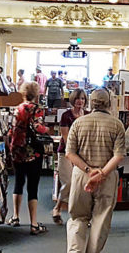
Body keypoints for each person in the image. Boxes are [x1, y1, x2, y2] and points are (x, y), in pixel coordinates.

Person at [65, 88, 126, 253]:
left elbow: (69, 153)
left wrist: (88, 170)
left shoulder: (78, 123)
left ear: (91, 102)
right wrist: (101, 173)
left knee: (78, 217)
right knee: (101, 220)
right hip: (106, 178)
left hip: (82, 175)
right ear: (109, 103)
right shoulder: (117, 124)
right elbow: (119, 156)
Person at [8, 81, 49, 235]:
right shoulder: (36, 109)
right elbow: (37, 127)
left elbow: (11, 130)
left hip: (17, 150)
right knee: (33, 186)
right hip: (32, 152)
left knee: (18, 182)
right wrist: (47, 129)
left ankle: (15, 217)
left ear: (23, 93)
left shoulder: (16, 109)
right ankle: (33, 223)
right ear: (36, 93)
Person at [52, 88, 86, 225]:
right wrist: (73, 155)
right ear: (73, 100)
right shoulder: (66, 115)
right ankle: (58, 207)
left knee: (82, 184)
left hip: (83, 154)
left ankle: (79, 214)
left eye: (83, 99)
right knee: (69, 182)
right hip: (66, 153)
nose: (80, 101)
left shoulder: (87, 115)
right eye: (78, 98)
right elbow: (66, 137)